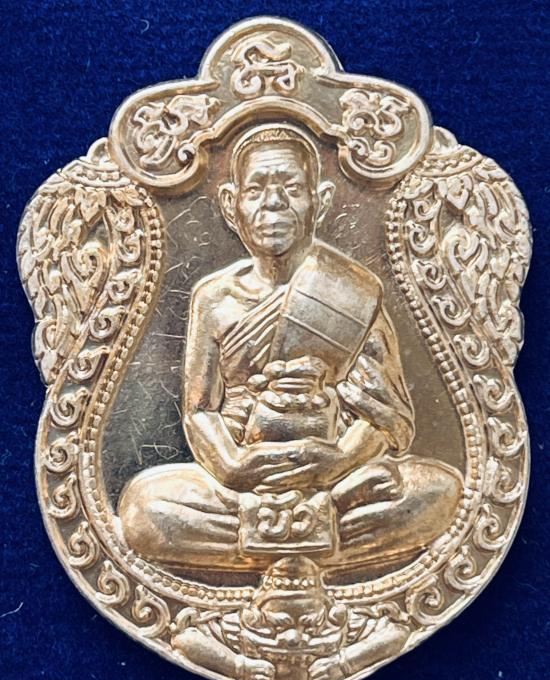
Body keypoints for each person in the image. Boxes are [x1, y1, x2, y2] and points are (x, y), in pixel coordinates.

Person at [118, 123, 461, 569]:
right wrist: (232, 466)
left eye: (291, 188)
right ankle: (315, 530)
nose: (273, 203)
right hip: (245, 478)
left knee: (438, 491)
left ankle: (274, 531)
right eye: (256, 189)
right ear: (231, 205)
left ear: (320, 202)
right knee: (144, 507)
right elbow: (200, 411)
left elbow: (386, 416)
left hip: (335, 473)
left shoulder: (353, 291)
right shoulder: (215, 298)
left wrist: (339, 460)